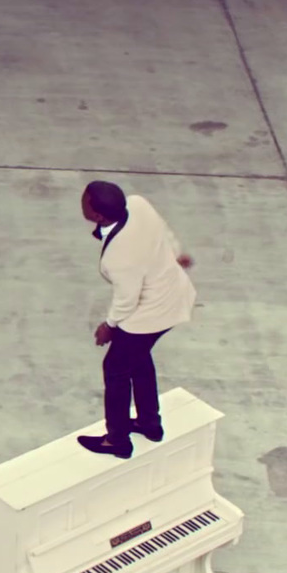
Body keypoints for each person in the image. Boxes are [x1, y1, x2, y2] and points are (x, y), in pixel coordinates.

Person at [77, 181, 196, 459]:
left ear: (97, 216)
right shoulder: (138, 204)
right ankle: (149, 423)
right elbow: (164, 231)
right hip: (173, 294)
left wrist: (109, 326)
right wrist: (177, 254)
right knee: (138, 357)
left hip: (150, 312)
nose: (82, 199)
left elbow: (127, 298)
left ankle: (117, 439)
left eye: (85, 199)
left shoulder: (119, 256)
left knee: (115, 368)